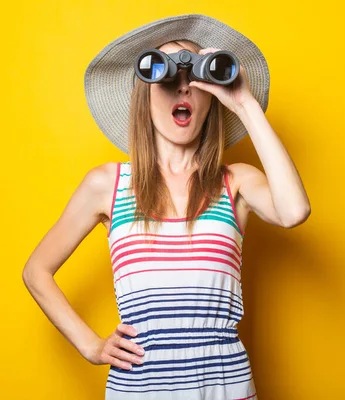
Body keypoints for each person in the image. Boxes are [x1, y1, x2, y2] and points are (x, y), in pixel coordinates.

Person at [22, 14, 310, 399]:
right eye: (166, 75)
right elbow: (36, 271)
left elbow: (294, 211)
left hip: (226, 390)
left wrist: (243, 102)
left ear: (212, 95)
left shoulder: (236, 181)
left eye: (196, 79)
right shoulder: (107, 184)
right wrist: (91, 346)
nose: (182, 89)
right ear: (145, 92)